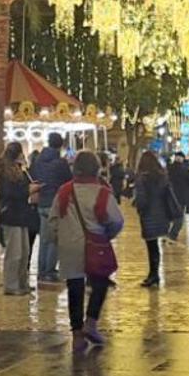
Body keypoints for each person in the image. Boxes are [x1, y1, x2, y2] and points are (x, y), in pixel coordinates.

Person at [48, 150, 124, 351]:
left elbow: (53, 218)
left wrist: (59, 237)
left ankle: (77, 335)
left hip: (69, 244)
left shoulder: (64, 191)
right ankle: (91, 322)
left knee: (75, 287)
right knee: (100, 282)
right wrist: (107, 235)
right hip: (96, 244)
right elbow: (116, 220)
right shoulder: (102, 192)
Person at [30, 133, 73, 284]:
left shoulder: (38, 160)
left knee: (44, 239)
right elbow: (69, 180)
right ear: (60, 145)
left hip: (41, 202)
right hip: (55, 203)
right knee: (54, 239)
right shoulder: (61, 163)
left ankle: (42, 269)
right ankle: (48, 271)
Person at [0, 142, 38, 295]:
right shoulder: (5, 172)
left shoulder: (20, 170)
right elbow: (10, 194)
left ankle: (22, 283)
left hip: (22, 214)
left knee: (24, 251)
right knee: (14, 253)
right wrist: (28, 190)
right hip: (11, 215)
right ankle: (11, 285)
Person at [133, 150, 176, 287]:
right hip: (162, 215)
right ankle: (154, 274)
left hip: (148, 216)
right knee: (155, 246)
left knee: (151, 246)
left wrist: (138, 206)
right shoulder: (162, 177)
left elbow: (141, 199)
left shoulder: (142, 179)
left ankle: (153, 275)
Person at [166, 152, 189, 240]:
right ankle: (172, 234)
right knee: (179, 217)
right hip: (181, 197)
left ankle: (165, 233)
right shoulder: (185, 169)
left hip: (169, 196)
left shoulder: (168, 168)